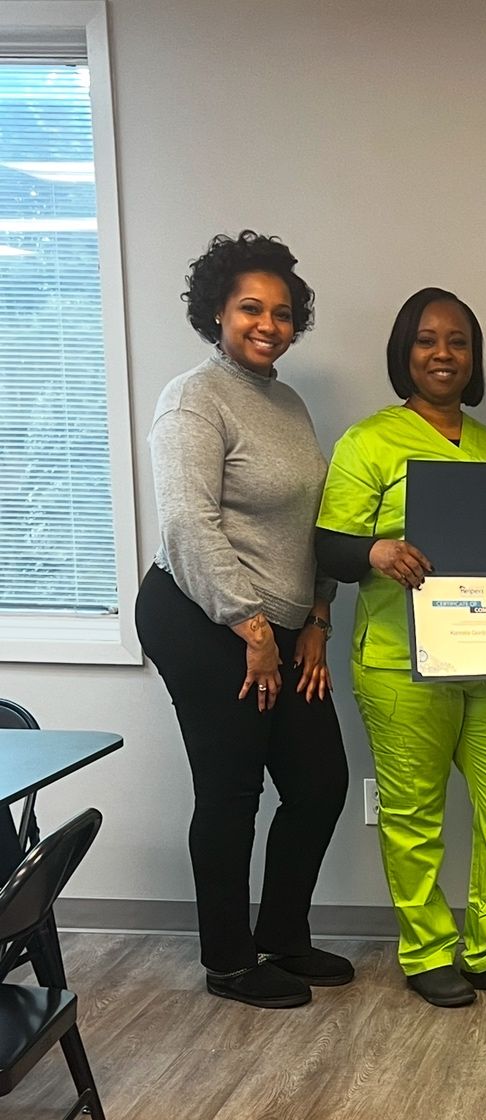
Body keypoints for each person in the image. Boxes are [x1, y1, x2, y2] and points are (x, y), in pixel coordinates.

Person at [315, 287, 486, 1008]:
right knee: (415, 816)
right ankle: (425, 951)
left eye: (457, 341)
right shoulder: (368, 441)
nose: (442, 354)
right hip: (400, 660)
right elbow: (329, 545)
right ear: (403, 353)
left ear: (473, 358)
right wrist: (377, 551)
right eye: (426, 340)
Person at [135, 231, 350, 1010]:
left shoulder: (286, 402)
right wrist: (253, 629)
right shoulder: (193, 398)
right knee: (231, 794)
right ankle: (228, 959)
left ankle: (282, 935)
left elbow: (317, 520)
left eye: (283, 313)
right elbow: (188, 524)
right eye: (251, 308)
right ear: (216, 312)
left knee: (320, 782)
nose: (269, 324)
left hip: (283, 622)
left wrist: (318, 614)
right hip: (199, 616)